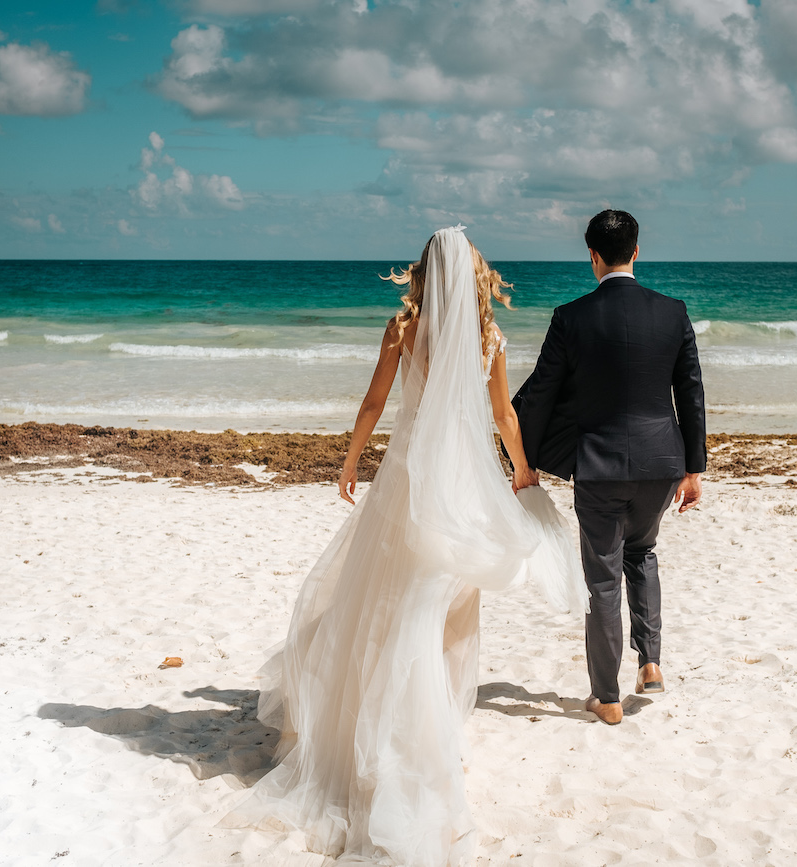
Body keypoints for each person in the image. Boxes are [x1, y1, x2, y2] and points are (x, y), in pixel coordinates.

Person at [221, 226, 582, 865]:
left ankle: (404, 735)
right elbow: (504, 417)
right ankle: (429, 731)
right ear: (472, 273)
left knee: (387, 604)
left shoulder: (403, 330)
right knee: (442, 611)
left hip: (409, 482)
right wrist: (521, 470)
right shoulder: (488, 337)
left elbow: (375, 400)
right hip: (464, 487)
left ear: (422, 273)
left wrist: (350, 462)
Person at [514, 209, 706, 726]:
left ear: (593, 257)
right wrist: (693, 468)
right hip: (662, 463)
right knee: (642, 552)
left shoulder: (570, 317)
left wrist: (525, 460)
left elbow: (541, 394)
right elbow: (690, 392)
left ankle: (607, 696)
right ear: (637, 252)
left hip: (599, 468)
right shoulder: (673, 312)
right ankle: (651, 661)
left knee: (602, 581)